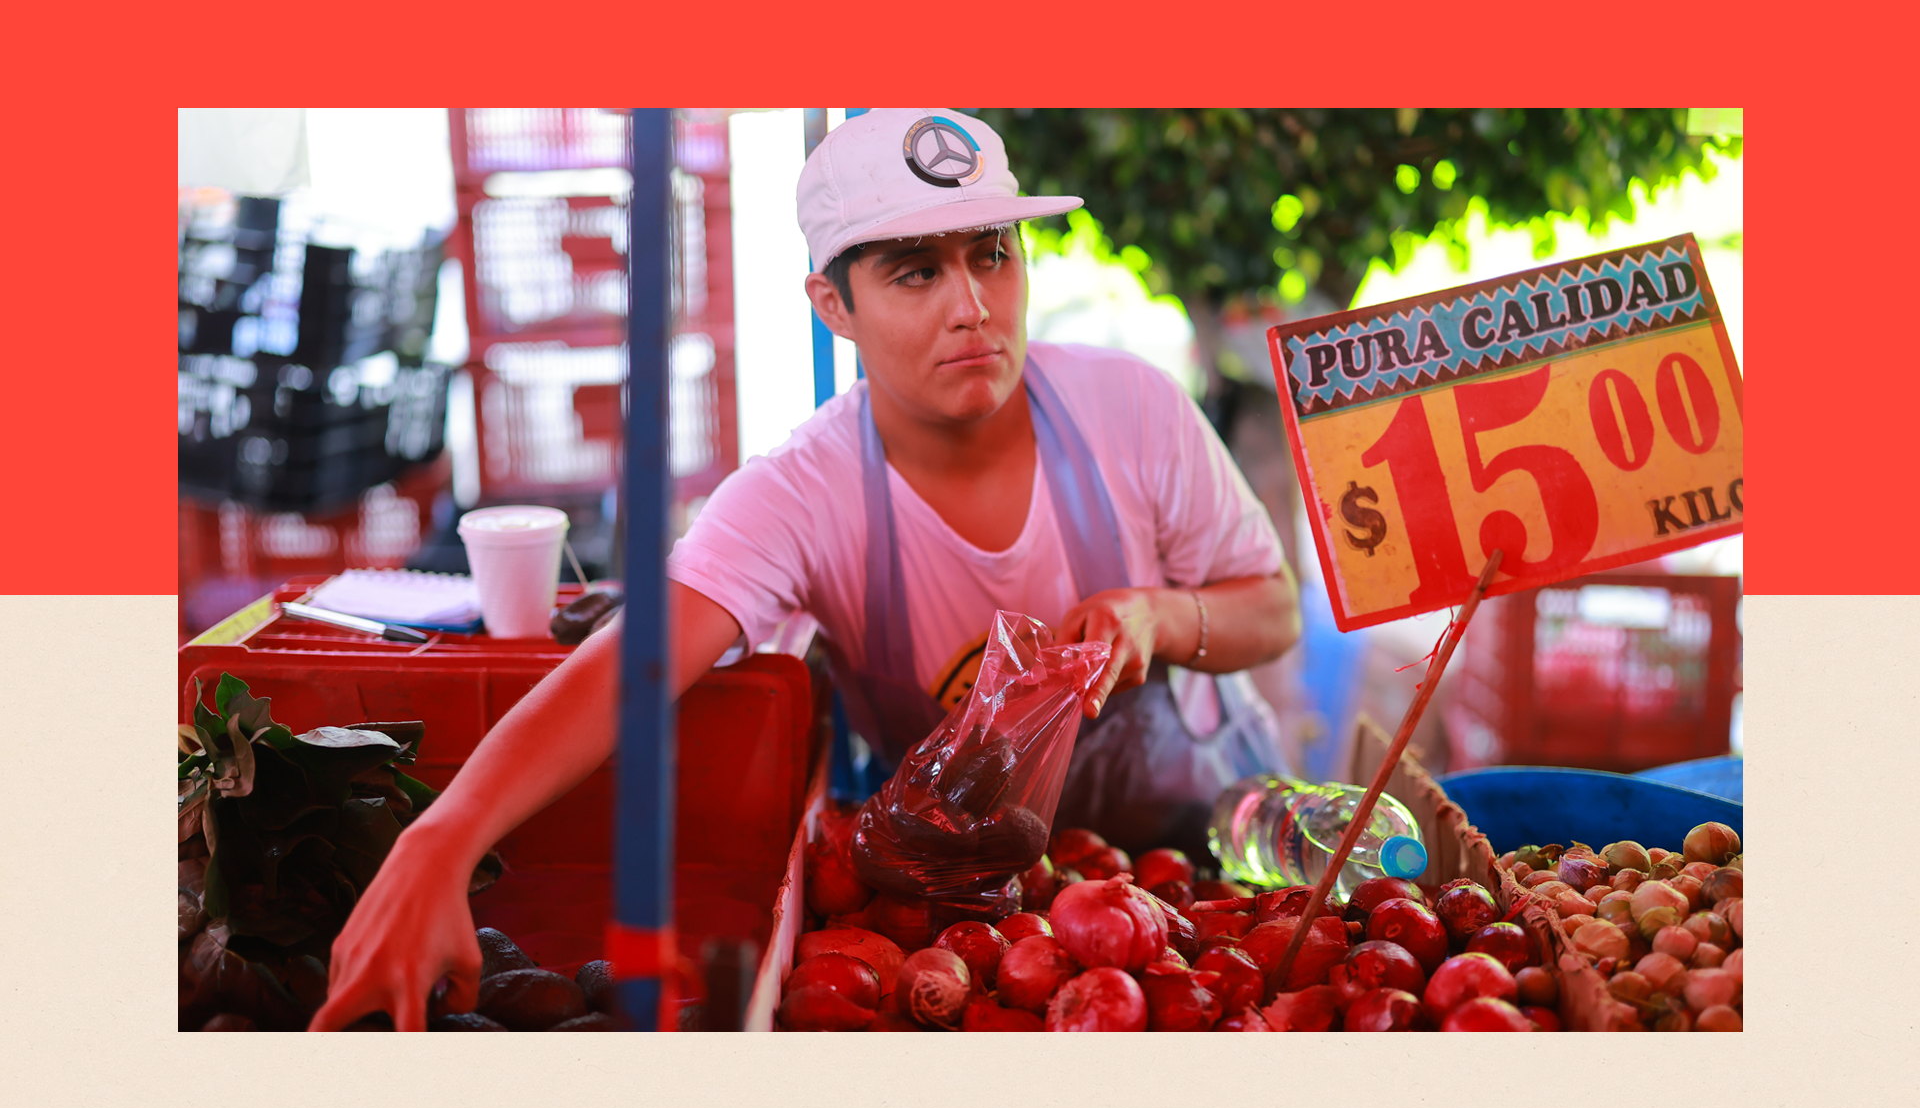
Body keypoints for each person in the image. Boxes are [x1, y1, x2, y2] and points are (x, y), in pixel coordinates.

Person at [311, 109, 1301, 1030]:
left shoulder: (1130, 409)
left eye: (993, 255)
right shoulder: (806, 492)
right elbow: (639, 661)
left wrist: (1157, 616)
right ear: (834, 303)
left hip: (1199, 878)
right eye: (915, 272)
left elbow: (1273, 609)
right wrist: (441, 836)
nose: (972, 306)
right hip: (980, 927)